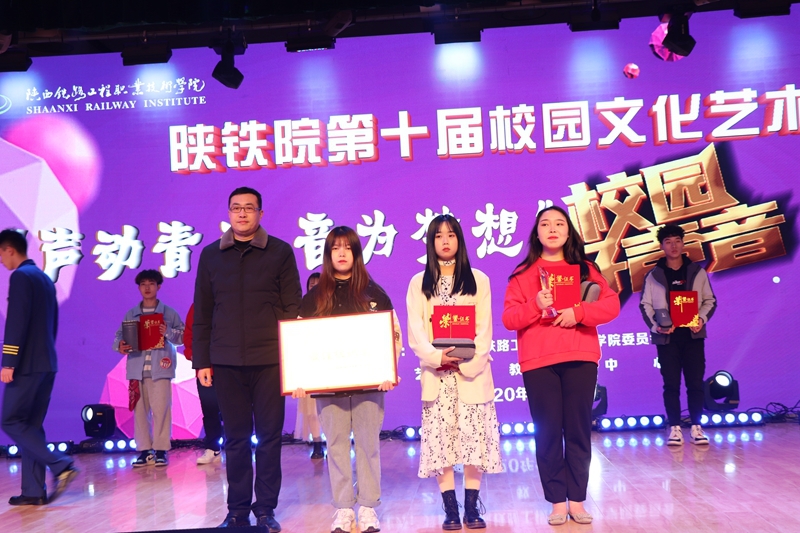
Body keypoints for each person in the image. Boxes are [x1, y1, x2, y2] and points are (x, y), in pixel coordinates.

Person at [193, 186, 302, 531]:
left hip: (270, 359)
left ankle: (266, 509)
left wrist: (293, 358)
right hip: (226, 361)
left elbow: (293, 307)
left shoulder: (279, 252)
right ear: (228, 213)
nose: (242, 213)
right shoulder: (211, 255)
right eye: (236, 208)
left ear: (260, 214)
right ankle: (237, 510)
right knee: (236, 439)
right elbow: (203, 312)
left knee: (269, 438)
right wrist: (202, 361)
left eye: (249, 208)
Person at [501, 206, 619, 526]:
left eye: (559, 224)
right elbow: (509, 318)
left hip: (580, 357)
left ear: (568, 232)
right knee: (548, 432)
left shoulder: (585, 269)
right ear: (537, 233)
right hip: (539, 362)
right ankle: (556, 502)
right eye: (545, 224)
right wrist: (535, 305)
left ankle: (577, 500)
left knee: (578, 430)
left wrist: (578, 313)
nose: (552, 229)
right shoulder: (523, 274)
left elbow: (611, 305)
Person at [294, 226, 401, 533]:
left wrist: (388, 370)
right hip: (329, 389)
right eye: (335, 248)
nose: (341, 253)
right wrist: (299, 377)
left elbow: (393, 334)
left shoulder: (374, 294)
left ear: (356, 253)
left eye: (347, 247)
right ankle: (343, 509)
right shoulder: (313, 299)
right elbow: (300, 342)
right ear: (328, 255)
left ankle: (367, 507)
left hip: (369, 386)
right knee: (337, 445)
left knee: (368, 445)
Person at [406, 214, 502, 530]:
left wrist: (467, 361)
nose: (445, 241)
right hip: (438, 377)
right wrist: (437, 357)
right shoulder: (419, 283)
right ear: (430, 242)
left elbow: (484, 330)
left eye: (451, 235)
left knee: (474, 440)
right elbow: (416, 332)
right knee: (442, 444)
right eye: (438, 236)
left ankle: (472, 507)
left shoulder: (479, 279)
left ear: (459, 240)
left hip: (471, 374)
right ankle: (450, 509)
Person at [0, 228, 78, 505]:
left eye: (1, 254)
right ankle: (33, 491)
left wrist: (9, 361)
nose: (1, 261)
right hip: (46, 362)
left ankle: (61, 464)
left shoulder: (21, 276)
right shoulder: (44, 278)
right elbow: (52, 324)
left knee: (10, 420)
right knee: (31, 425)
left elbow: (16, 322)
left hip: (27, 364)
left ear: (10, 249)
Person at [640, 224, 716, 447]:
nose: (673, 246)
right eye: (668, 242)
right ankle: (674, 427)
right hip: (667, 339)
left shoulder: (697, 272)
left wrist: (701, 319)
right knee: (671, 384)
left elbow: (710, 301)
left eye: (677, 241)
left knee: (695, 383)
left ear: (683, 244)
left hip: (693, 337)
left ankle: (696, 427)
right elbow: (645, 305)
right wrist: (657, 326)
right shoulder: (653, 275)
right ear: (662, 246)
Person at [114, 269, 185, 467]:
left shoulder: (169, 313)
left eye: (151, 284)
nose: (147, 288)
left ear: (158, 286)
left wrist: (168, 332)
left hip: (160, 369)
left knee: (161, 410)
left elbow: (182, 338)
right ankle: (144, 451)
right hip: (137, 370)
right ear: (138, 288)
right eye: (143, 284)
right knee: (140, 412)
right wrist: (120, 345)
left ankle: (161, 450)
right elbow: (119, 336)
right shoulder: (131, 314)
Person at [183, 303, 224, 464]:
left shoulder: (230, 300)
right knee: (209, 410)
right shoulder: (198, 306)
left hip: (230, 366)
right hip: (206, 368)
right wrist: (194, 356)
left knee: (236, 409)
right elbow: (189, 335)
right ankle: (213, 447)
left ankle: (238, 447)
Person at [294, 272, 325, 460]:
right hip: (310, 364)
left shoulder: (334, 305)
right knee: (311, 410)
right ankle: (317, 443)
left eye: (318, 284)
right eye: (311, 285)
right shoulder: (303, 308)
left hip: (331, 363)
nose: (315, 288)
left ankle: (335, 443)